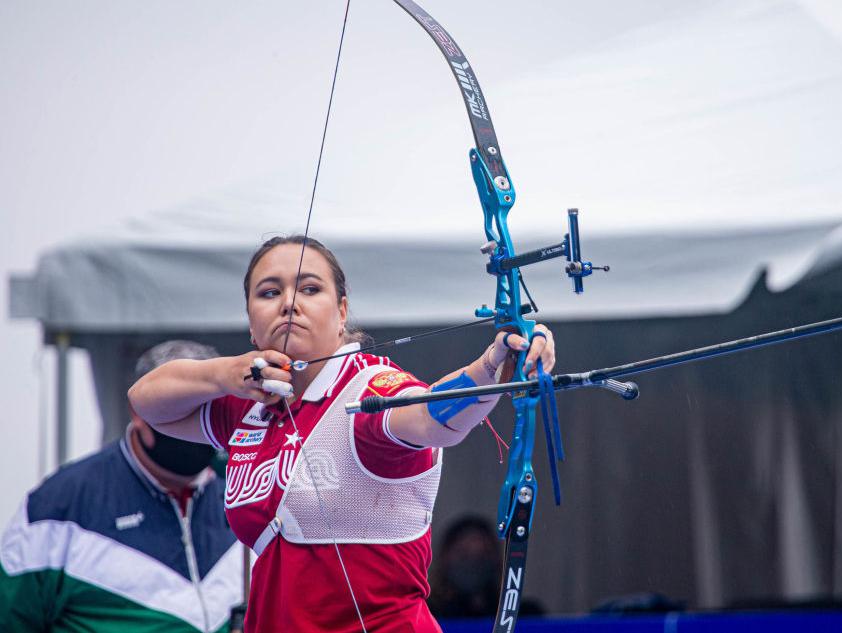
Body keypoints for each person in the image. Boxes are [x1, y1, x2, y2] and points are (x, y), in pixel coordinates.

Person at [128, 235, 556, 633]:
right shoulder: (251, 403)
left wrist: (490, 367)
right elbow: (146, 400)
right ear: (251, 323)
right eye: (269, 293)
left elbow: (431, 417)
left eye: (310, 289)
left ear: (342, 312)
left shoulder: (368, 389)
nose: (289, 304)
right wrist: (224, 372)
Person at [0, 340, 243, 632]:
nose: (194, 425)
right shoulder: (60, 504)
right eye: (178, 409)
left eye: (206, 408)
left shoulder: (248, 487)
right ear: (138, 411)